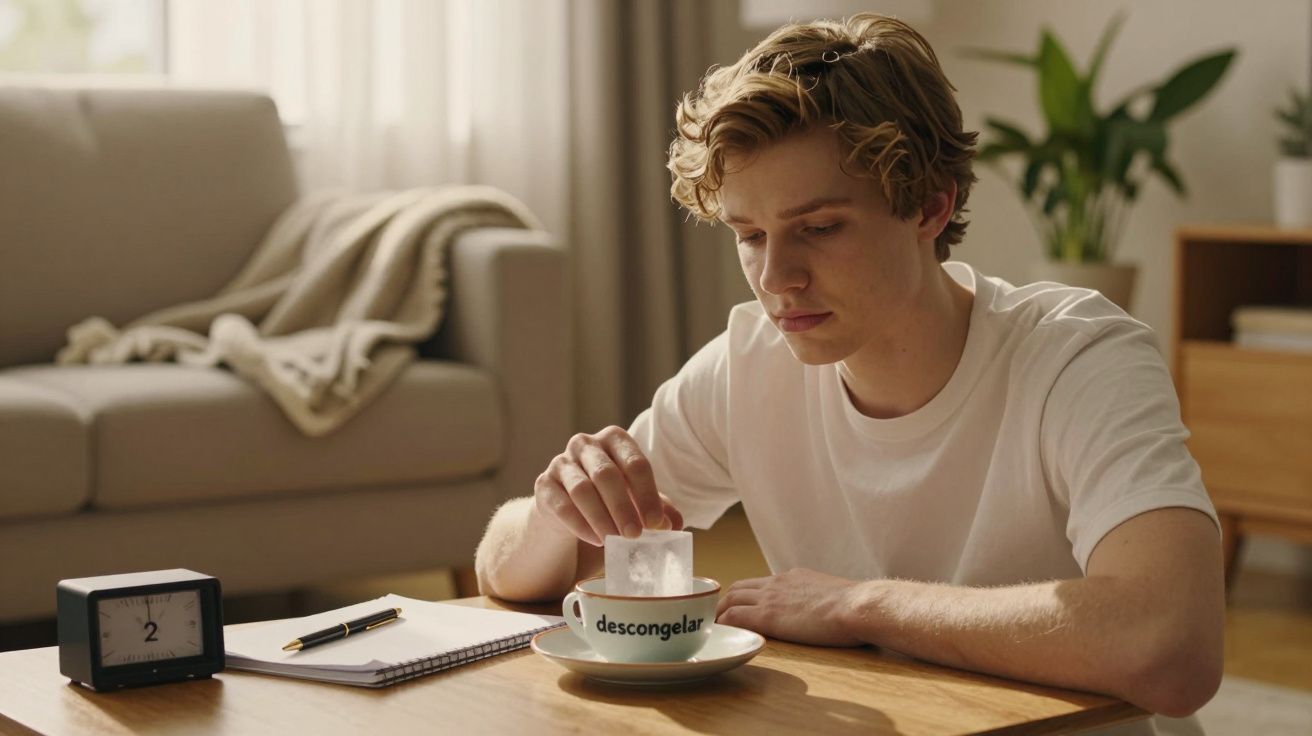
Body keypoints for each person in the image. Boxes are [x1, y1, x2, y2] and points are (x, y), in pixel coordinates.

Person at [474, 13, 1222, 732]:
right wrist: (554, 510)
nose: (776, 278)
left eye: (820, 229)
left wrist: (860, 605)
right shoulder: (746, 365)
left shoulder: (1077, 356)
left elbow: (1171, 646)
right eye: (749, 235)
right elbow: (506, 572)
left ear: (931, 207)